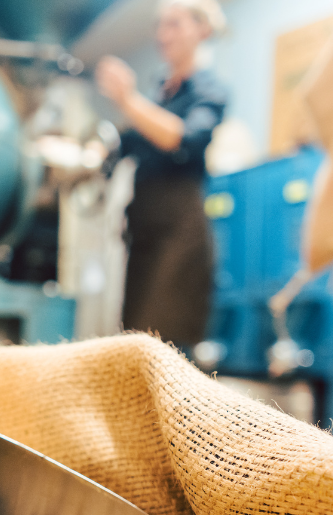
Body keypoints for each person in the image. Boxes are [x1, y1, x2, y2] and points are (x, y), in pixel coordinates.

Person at [96, 0, 228, 347]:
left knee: (161, 343)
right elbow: (132, 142)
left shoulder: (209, 90)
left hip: (178, 238)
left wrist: (128, 99)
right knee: (132, 338)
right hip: (144, 232)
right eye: (160, 25)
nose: (163, 34)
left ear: (203, 30)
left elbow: (180, 137)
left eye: (175, 24)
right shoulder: (159, 93)